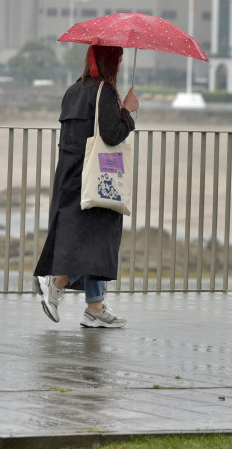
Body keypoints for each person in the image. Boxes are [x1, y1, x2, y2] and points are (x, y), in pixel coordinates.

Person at [33, 45, 140, 328]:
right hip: (94, 177)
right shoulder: (104, 91)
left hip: (69, 174)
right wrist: (127, 112)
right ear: (110, 62)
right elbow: (112, 134)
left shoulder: (73, 90)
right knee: (95, 237)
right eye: (117, 59)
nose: (119, 64)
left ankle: (95, 307)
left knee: (83, 235)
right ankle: (56, 283)